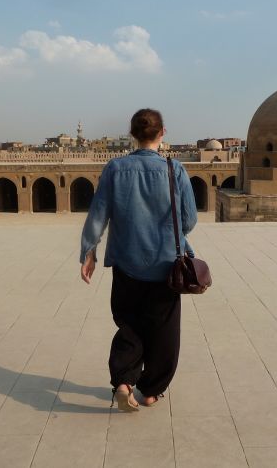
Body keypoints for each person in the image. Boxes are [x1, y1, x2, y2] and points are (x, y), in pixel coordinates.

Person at [79, 108, 198, 412]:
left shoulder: (115, 169)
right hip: (165, 266)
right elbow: (189, 219)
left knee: (129, 325)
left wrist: (89, 251)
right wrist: (169, 233)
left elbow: (98, 215)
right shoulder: (176, 170)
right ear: (163, 133)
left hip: (127, 265)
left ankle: (123, 380)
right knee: (163, 331)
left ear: (132, 134)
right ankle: (150, 391)